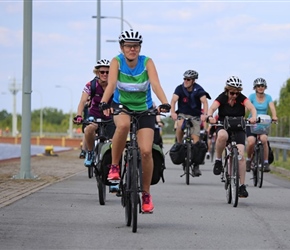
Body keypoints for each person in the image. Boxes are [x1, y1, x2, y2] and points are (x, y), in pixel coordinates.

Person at [99, 29, 170, 213]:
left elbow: (155, 84)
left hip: (144, 108)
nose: (133, 49)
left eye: (136, 46)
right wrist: (104, 101)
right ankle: (115, 166)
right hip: (122, 106)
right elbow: (112, 83)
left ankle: (146, 194)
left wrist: (164, 102)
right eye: (129, 46)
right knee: (122, 125)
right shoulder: (117, 61)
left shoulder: (147, 62)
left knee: (146, 151)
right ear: (122, 47)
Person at [207, 76, 257, 198]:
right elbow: (212, 108)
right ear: (227, 90)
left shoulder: (241, 98)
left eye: (237, 93)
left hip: (239, 127)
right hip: (223, 125)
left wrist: (253, 116)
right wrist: (210, 116)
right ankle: (218, 160)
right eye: (232, 93)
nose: (234, 95)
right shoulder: (222, 97)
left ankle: (242, 186)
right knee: (222, 136)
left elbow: (252, 108)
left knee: (241, 156)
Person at [73, 59, 115, 167]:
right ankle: (90, 152)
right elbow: (82, 101)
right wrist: (78, 115)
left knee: (116, 139)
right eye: (102, 72)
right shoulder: (91, 85)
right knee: (89, 129)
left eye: (107, 72)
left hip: (110, 115)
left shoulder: (115, 85)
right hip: (95, 114)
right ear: (97, 73)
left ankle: (114, 163)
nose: (105, 74)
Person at [170, 69, 210, 176]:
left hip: (195, 115)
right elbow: (173, 100)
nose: (186, 81)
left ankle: (196, 165)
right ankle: (178, 143)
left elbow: (204, 102)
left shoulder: (198, 89)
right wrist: (173, 112)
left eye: (188, 79)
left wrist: (204, 114)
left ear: (193, 81)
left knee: (196, 141)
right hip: (182, 114)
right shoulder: (179, 88)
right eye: (184, 79)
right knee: (179, 125)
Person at [246, 78, 278, 173]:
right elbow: (246, 107)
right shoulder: (251, 96)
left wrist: (274, 116)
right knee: (251, 141)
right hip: (252, 122)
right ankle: (248, 160)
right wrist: (243, 116)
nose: (260, 88)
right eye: (258, 86)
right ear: (255, 87)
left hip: (263, 123)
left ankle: (265, 162)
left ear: (265, 87)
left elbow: (272, 108)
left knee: (264, 139)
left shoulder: (268, 97)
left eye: (262, 86)